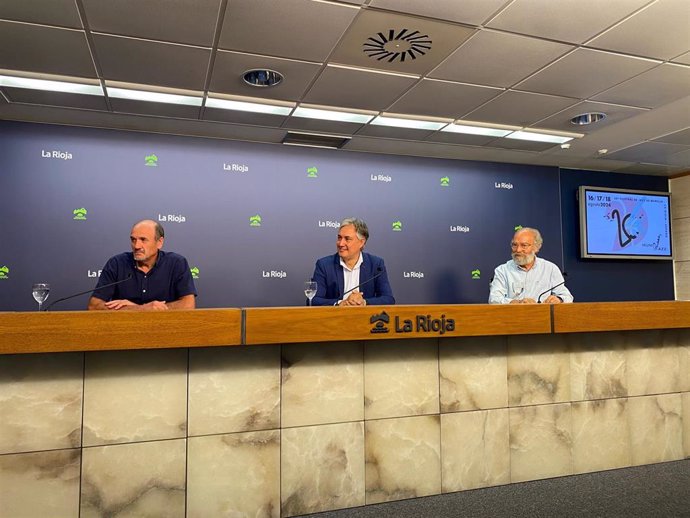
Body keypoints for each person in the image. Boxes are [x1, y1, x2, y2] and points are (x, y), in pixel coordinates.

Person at [87, 219, 197, 310]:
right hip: (125, 331)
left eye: (143, 240)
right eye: (133, 240)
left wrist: (138, 308)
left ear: (159, 242)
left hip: (165, 330)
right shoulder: (116, 264)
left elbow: (188, 305)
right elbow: (94, 306)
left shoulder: (176, 263)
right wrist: (142, 309)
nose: (136, 246)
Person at [311, 218, 395, 306]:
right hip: (334, 318)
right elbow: (313, 300)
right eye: (339, 238)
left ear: (361, 242)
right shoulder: (324, 265)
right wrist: (340, 303)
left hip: (364, 318)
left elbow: (388, 299)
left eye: (347, 239)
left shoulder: (376, 264)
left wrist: (364, 302)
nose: (341, 243)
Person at [489, 227, 573, 304]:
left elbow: (567, 296)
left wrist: (559, 299)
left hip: (543, 317)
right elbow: (494, 299)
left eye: (524, 245)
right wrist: (517, 303)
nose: (518, 250)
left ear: (536, 247)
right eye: (515, 245)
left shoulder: (550, 269)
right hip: (513, 317)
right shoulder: (502, 270)